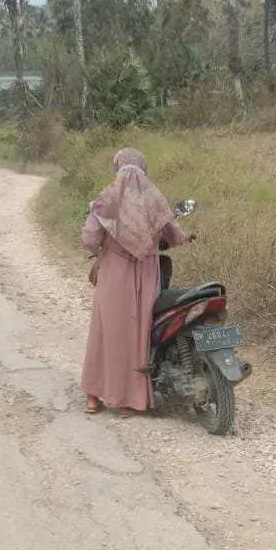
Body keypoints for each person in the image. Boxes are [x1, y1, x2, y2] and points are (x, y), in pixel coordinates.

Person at [80, 148, 191, 415]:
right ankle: (132, 399)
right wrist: (185, 237)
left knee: (105, 331)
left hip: (114, 273)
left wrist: (105, 246)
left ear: (116, 168)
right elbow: (175, 235)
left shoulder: (107, 200)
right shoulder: (155, 200)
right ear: (144, 169)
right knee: (139, 333)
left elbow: (89, 239)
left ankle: (94, 396)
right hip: (146, 272)